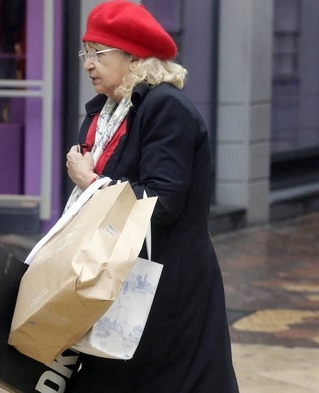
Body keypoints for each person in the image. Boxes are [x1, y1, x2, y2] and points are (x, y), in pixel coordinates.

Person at [64, 1, 239, 392]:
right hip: (121, 279)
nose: (88, 64)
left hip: (164, 287)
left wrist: (91, 183)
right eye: (85, 53)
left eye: (98, 53)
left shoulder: (165, 108)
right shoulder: (108, 112)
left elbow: (163, 200)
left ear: (133, 56)